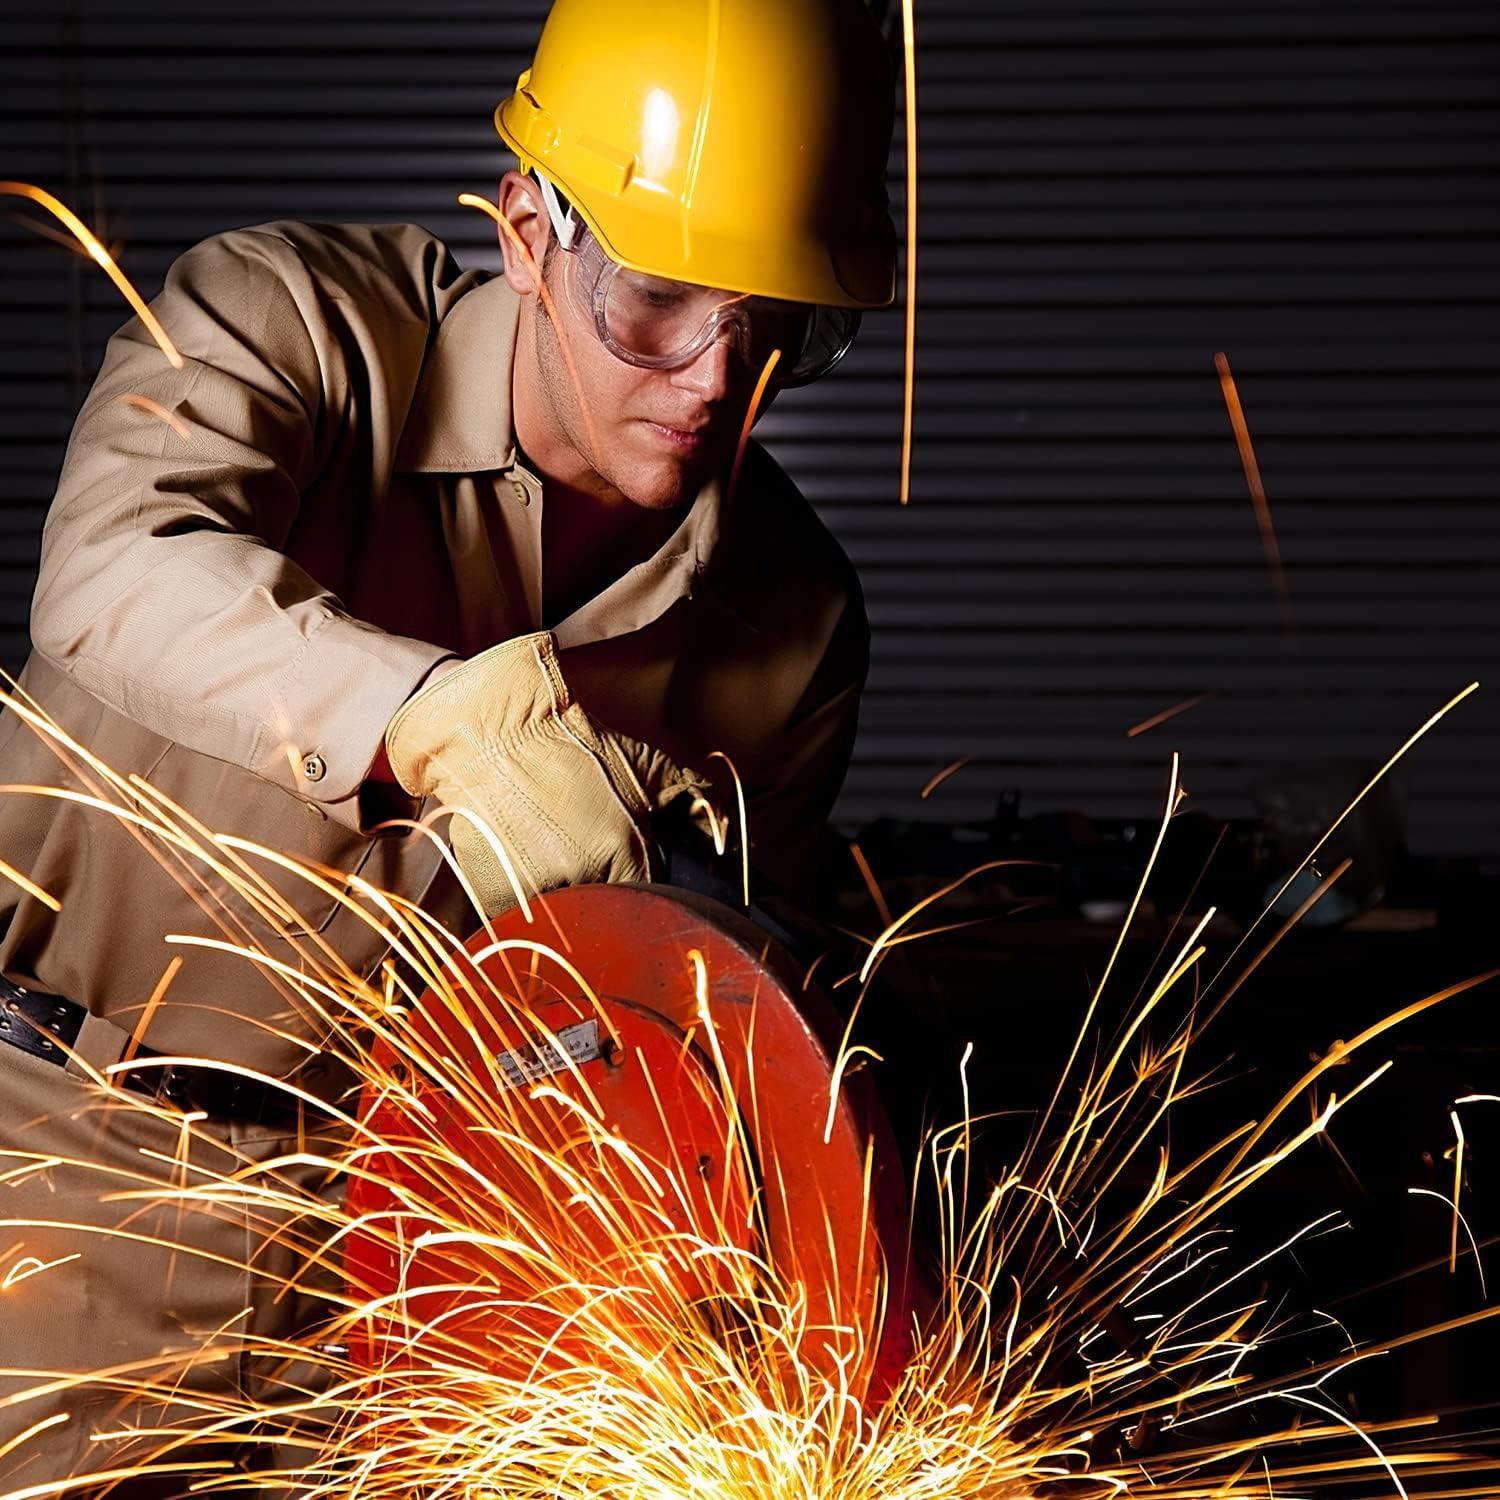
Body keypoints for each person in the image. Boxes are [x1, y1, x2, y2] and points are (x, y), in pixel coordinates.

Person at [0, 0, 896, 1488]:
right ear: (532, 229)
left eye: (778, 327)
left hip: (434, 1239)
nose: (713, 383)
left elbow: (735, 1036)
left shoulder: (791, 620)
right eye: (662, 301)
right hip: (64, 1168)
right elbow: (113, 570)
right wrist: (441, 720)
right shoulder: (286, 324)